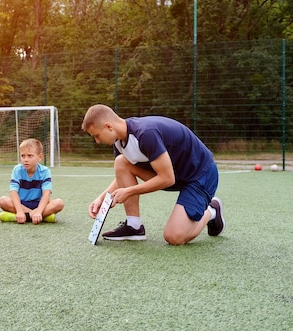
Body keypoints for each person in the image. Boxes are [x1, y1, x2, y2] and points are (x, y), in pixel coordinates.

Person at [82, 104, 225, 245]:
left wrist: (129, 191)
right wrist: (101, 198)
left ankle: (211, 211)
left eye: (97, 135)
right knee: (121, 162)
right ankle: (134, 227)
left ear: (108, 126)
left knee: (174, 237)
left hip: (200, 174)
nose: (97, 141)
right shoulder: (119, 142)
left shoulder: (145, 133)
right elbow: (122, 176)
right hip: (175, 175)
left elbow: (167, 179)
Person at [0, 138, 65, 224]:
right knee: (3, 201)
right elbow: (13, 192)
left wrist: (38, 211)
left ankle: (27, 216)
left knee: (59, 203)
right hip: (21, 204)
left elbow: (46, 194)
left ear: (39, 157)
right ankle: (38, 216)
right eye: (23, 156)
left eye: (30, 156)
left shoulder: (45, 171)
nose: (25, 159)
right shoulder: (17, 169)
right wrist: (19, 211)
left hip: (39, 205)